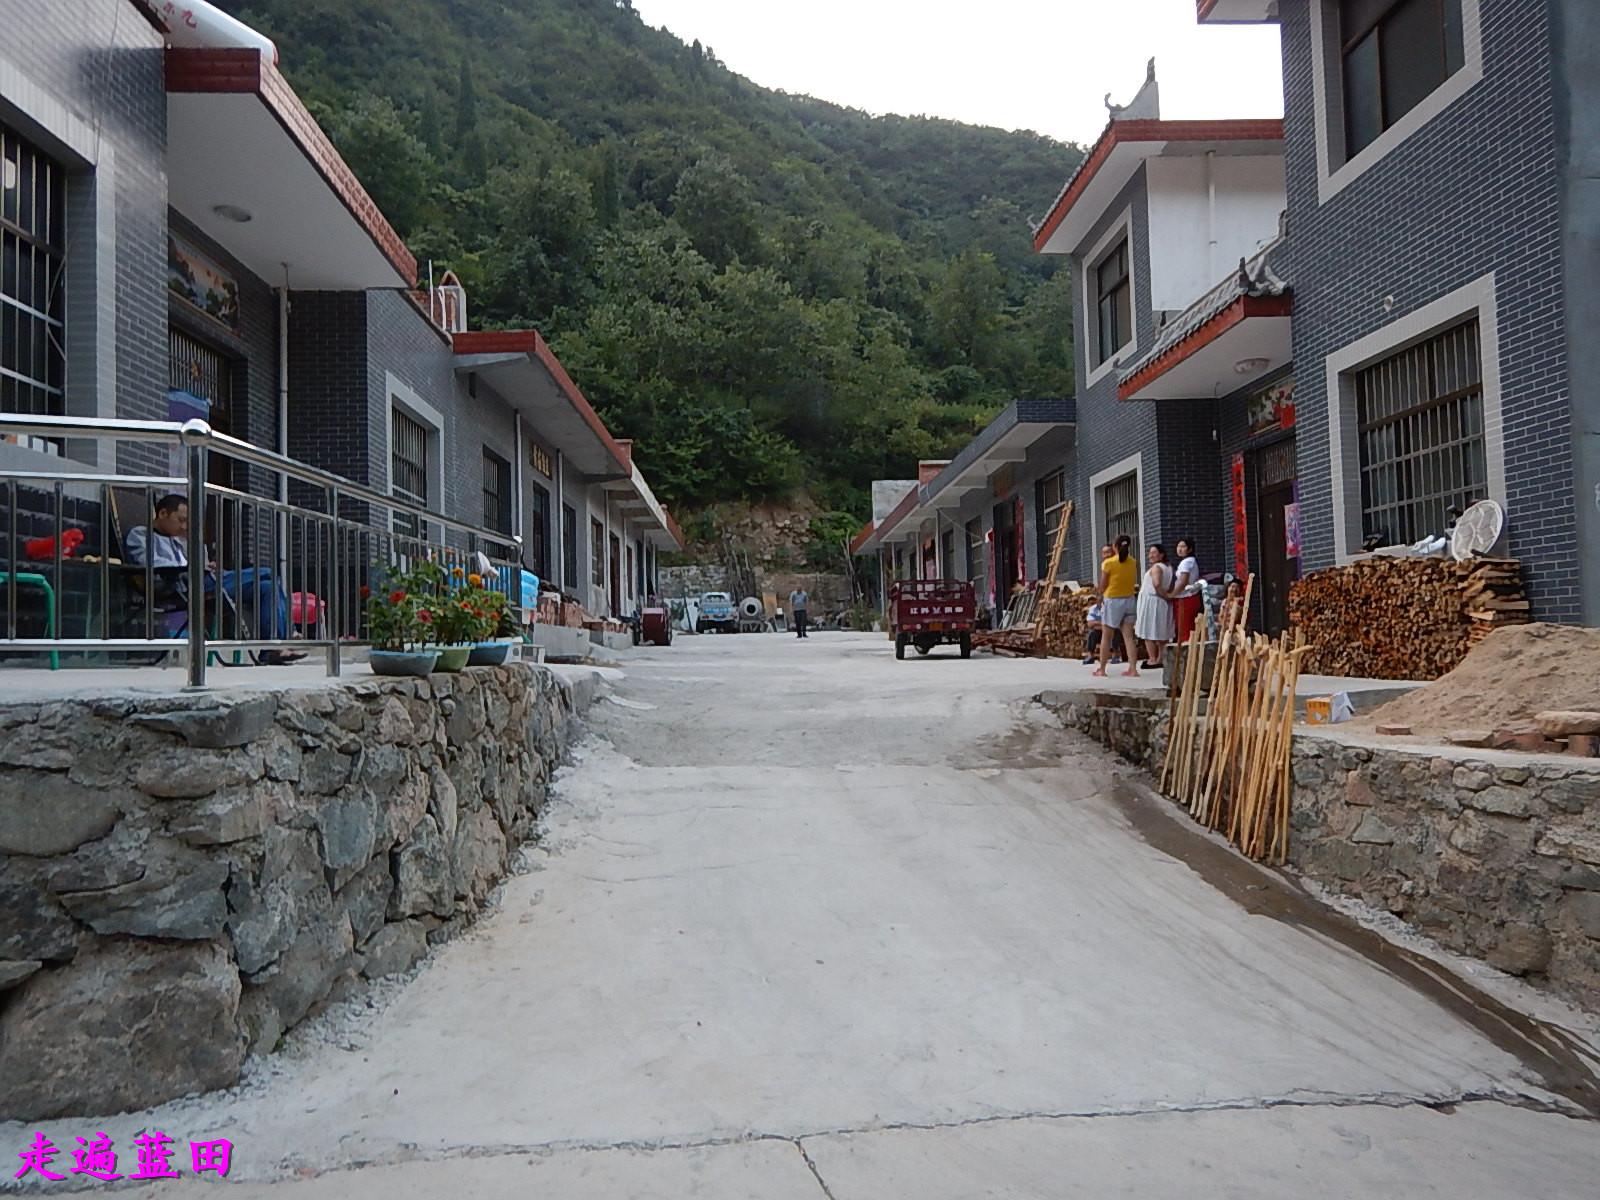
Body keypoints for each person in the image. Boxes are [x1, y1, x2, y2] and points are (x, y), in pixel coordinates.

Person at [125, 494, 306, 664]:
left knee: (268, 587)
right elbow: (148, 562)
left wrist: (202, 563)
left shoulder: (178, 540)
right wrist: (192, 567)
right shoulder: (140, 535)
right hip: (178, 583)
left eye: (187, 521)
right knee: (267, 572)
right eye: (181, 520)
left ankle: (272, 649)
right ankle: (289, 632)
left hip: (199, 579)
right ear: (163, 513)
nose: (184, 526)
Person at [1094, 534, 1140, 677]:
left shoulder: (1109, 563)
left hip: (1113, 599)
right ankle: (1133, 669)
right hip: (1129, 599)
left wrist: (1099, 596)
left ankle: (1102, 669)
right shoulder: (1133, 562)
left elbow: (1103, 583)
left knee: (1107, 635)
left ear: (1115, 546)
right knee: (1128, 636)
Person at [1135, 543, 1175, 669]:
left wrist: (1165, 595)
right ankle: (1161, 658)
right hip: (1161, 601)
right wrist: (1168, 596)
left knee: (1149, 631)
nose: (1150, 556)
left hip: (1153, 601)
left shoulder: (1157, 567)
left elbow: (1157, 584)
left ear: (1161, 554)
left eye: (1154, 553)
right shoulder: (1169, 567)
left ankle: (1153, 658)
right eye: (1150, 553)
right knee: (1161, 631)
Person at [1170, 537, 1202, 643]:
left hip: (1185, 598)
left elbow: (1183, 581)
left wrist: (1172, 594)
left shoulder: (1187, 562)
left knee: (1185, 628)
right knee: (1187, 628)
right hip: (1189, 597)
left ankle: (1187, 654)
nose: (1180, 549)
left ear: (1190, 549)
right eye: (1178, 546)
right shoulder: (1188, 561)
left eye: (1183, 547)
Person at [1082, 597, 1104, 664]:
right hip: (1098, 630)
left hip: (1108, 630)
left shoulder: (1109, 608)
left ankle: (1114, 656)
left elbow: (1110, 624)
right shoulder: (1093, 609)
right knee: (1092, 633)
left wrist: (1096, 622)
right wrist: (1101, 624)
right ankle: (1090, 657)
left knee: (1114, 632)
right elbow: (1090, 624)